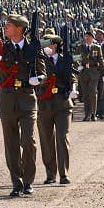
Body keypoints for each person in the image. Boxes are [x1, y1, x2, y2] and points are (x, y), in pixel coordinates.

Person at [0, 13, 44, 197]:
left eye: (9, 25)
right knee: (10, 142)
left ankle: (28, 180)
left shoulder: (33, 47)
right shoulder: (1, 47)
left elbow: (42, 71)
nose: (5, 28)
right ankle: (17, 182)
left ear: (20, 28)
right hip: (7, 99)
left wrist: (39, 79)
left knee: (28, 140)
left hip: (27, 98)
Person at [37, 34, 75, 185]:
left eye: (49, 43)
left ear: (56, 45)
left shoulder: (65, 59)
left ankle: (64, 173)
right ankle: (50, 173)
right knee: (46, 139)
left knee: (62, 137)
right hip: (45, 103)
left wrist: (73, 88)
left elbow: (72, 75)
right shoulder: (39, 60)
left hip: (63, 103)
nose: (45, 46)